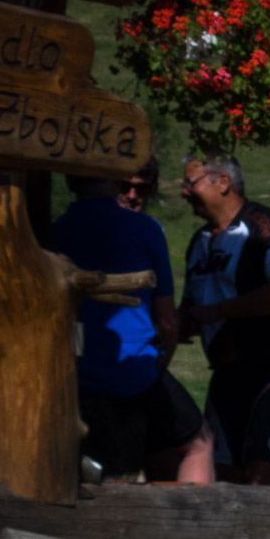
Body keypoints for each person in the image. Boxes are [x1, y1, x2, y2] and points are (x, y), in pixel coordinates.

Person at [49, 174, 214, 483]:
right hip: (131, 373)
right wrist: (164, 358)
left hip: (71, 372)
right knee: (198, 442)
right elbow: (166, 320)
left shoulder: (54, 231)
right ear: (114, 182)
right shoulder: (146, 229)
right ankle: (195, 519)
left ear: (71, 184)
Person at [179, 155, 270, 485]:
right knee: (220, 475)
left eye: (189, 183)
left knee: (258, 475)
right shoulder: (199, 242)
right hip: (226, 373)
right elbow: (188, 311)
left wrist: (214, 314)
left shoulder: (263, 225)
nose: (183, 192)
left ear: (222, 182)